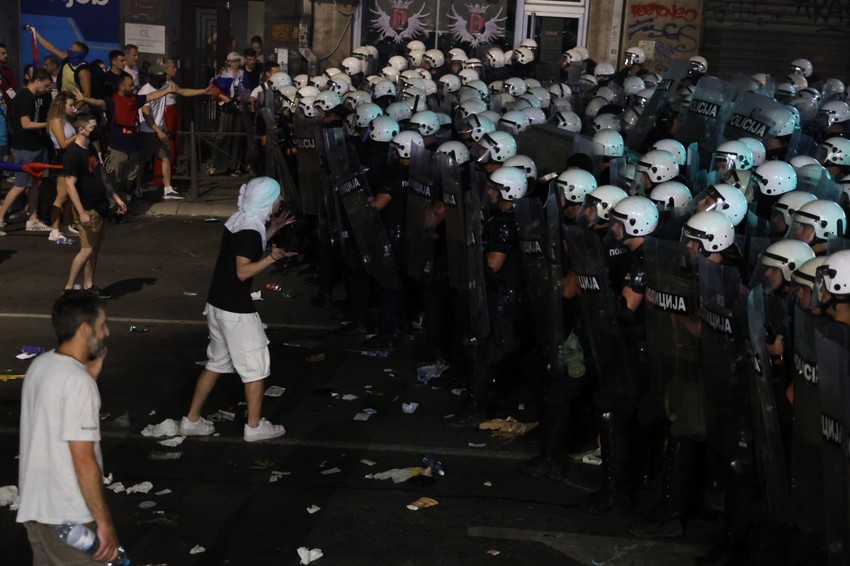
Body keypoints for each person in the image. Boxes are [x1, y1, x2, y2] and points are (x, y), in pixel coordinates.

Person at [179, 176, 295, 442]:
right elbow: (243, 271)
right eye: (277, 196)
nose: (279, 201)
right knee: (256, 367)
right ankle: (254, 427)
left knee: (216, 363)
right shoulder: (250, 229)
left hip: (217, 304)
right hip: (236, 311)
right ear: (267, 200)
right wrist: (271, 258)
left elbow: (245, 248)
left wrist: (272, 230)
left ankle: (192, 420)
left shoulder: (239, 220)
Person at [16, 290, 122, 565]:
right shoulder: (77, 383)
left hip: (37, 513)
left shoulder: (42, 365)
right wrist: (105, 523)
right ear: (85, 330)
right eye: (102, 325)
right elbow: (83, 458)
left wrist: (89, 377)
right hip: (70, 520)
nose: (107, 332)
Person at [62, 112, 127, 297]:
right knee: (87, 249)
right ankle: (68, 289)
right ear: (81, 130)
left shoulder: (90, 148)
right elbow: (69, 185)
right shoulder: (73, 155)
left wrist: (116, 197)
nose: (95, 130)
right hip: (87, 207)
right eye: (92, 127)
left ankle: (88, 285)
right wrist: (81, 212)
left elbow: (101, 176)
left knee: (94, 248)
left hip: (100, 206)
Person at [137, 64, 208, 200]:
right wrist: (158, 130)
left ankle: (168, 188)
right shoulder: (145, 90)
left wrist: (204, 91)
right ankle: (137, 187)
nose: (163, 78)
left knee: (165, 157)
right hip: (147, 130)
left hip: (160, 129)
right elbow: (146, 113)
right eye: (160, 76)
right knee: (143, 161)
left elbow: (182, 91)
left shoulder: (165, 85)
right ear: (152, 77)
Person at [0, 69, 53, 234]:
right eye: (45, 86)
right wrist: (48, 125)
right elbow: (26, 124)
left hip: (38, 145)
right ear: (37, 81)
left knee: (36, 183)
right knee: (21, 185)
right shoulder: (24, 97)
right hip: (24, 147)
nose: (46, 89)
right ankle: (0, 217)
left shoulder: (39, 97)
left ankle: (33, 219)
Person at [47, 92, 79, 241]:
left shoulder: (66, 119)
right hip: (62, 158)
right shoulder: (55, 120)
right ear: (62, 105)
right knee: (62, 195)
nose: (73, 108)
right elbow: (63, 143)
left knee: (70, 195)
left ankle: (67, 224)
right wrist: (79, 135)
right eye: (70, 105)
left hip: (71, 158)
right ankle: (54, 230)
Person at [0, 42, 18, 110]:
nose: (6, 55)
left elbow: (12, 91)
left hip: (7, 113)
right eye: (3, 53)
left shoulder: (7, 72)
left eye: (6, 53)